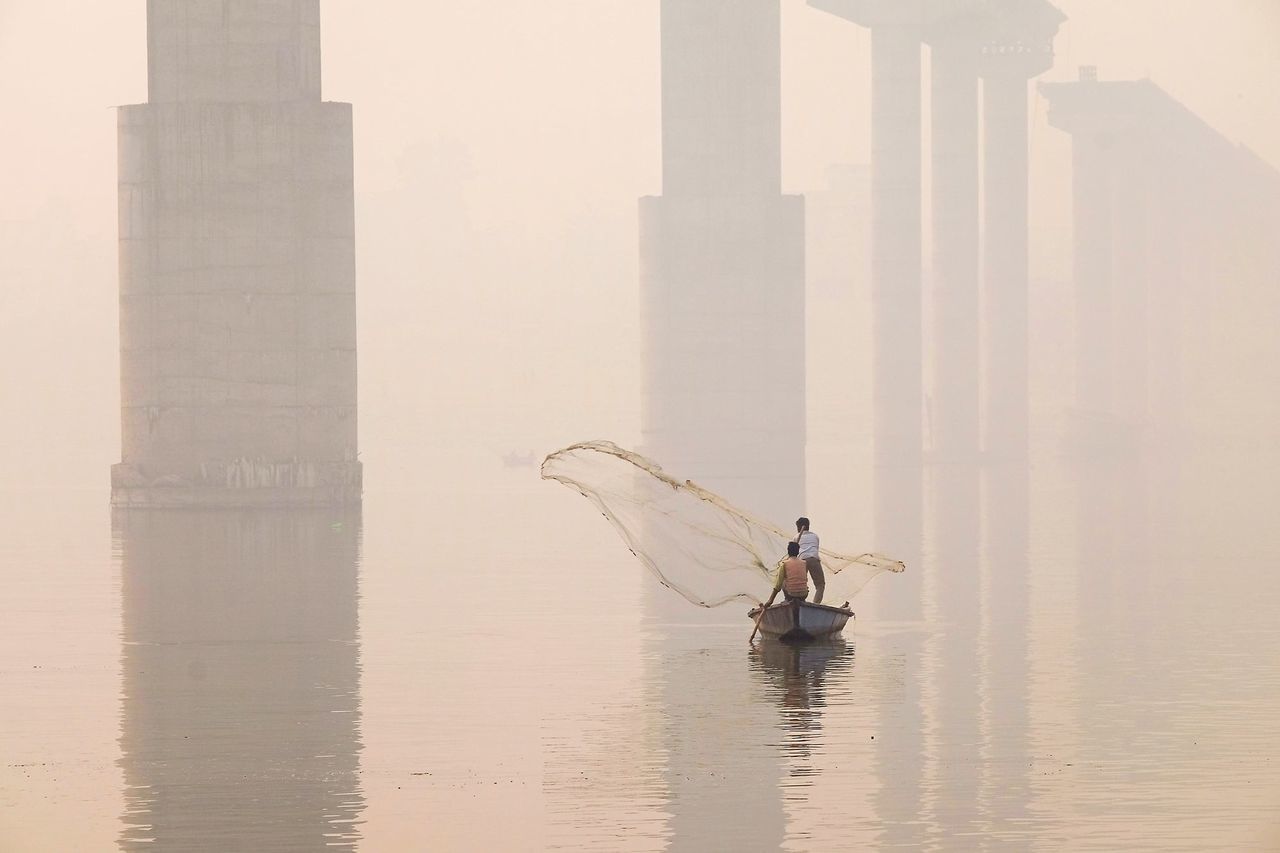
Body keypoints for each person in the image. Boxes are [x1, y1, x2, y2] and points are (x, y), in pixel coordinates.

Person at [795, 517, 825, 604]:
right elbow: (815, 549)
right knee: (820, 585)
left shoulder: (796, 537)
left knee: (801, 584)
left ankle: (800, 603)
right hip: (813, 559)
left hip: (801, 561)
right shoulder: (815, 536)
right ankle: (815, 604)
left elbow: (795, 552)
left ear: (799, 527)